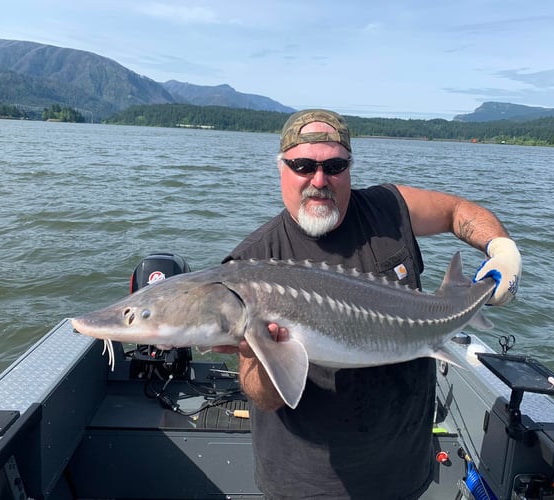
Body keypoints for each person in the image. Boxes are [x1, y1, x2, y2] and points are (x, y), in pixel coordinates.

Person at [218, 109, 521, 499]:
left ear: (349, 168)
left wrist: (501, 249)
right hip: (311, 485)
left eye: (335, 166)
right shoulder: (250, 263)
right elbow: (261, 396)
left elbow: (458, 212)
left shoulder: (388, 209)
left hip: (407, 466)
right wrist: (262, 356)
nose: (319, 180)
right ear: (281, 169)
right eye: (303, 165)